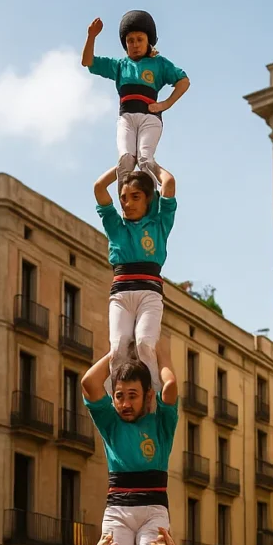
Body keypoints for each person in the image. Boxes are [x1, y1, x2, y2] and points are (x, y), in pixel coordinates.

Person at [82, 349, 178, 545]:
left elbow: (170, 387)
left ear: (148, 396)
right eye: (119, 396)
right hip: (117, 511)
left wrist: (161, 356)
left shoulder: (160, 424)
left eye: (132, 396)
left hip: (154, 511)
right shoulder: (110, 423)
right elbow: (89, 382)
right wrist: (116, 353)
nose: (125, 404)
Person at [91, 165, 177, 392]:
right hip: (120, 295)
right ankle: (116, 400)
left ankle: (151, 395)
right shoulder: (116, 226)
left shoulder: (159, 225)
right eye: (123, 198)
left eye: (135, 197)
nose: (127, 203)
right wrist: (122, 167)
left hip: (149, 294)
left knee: (144, 344)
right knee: (118, 347)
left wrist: (151, 165)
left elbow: (168, 184)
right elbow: (99, 187)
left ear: (148, 199)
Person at [83, 11, 189, 185]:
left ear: (148, 41)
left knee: (145, 160)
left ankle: (153, 200)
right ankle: (127, 208)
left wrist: (166, 104)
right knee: (126, 160)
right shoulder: (119, 66)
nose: (135, 44)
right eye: (130, 41)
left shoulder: (159, 64)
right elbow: (88, 61)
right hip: (126, 118)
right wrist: (91, 36)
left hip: (150, 117)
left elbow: (183, 81)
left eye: (140, 39)